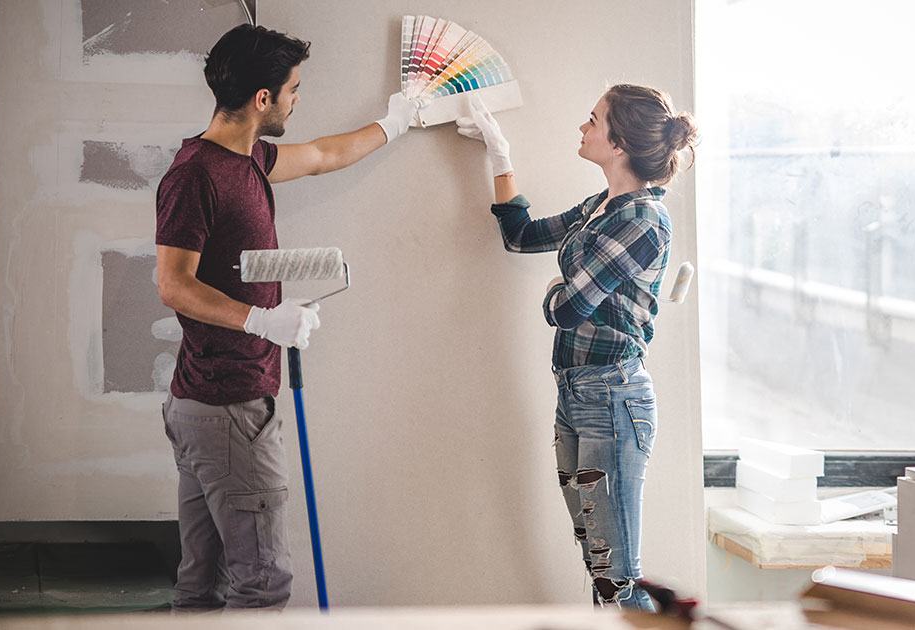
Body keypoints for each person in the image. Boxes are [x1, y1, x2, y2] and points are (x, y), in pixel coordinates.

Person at [154, 24, 424, 611]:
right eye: (293, 89)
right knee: (262, 585)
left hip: (209, 404)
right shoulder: (196, 175)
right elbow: (172, 285)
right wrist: (260, 321)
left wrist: (397, 120)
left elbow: (325, 155)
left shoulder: (247, 158)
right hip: (228, 408)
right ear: (263, 100)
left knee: (203, 585)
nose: (298, 98)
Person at [456, 85, 697, 610]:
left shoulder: (642, 221)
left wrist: (553, 296)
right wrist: (500, 155)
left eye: (593, 120)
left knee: (617, 577)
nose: (582, 128)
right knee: (599, 564)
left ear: (620, 143)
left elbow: (568, 309)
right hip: (575, 395)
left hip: (612, 399)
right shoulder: (601, 206)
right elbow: (520, 236)